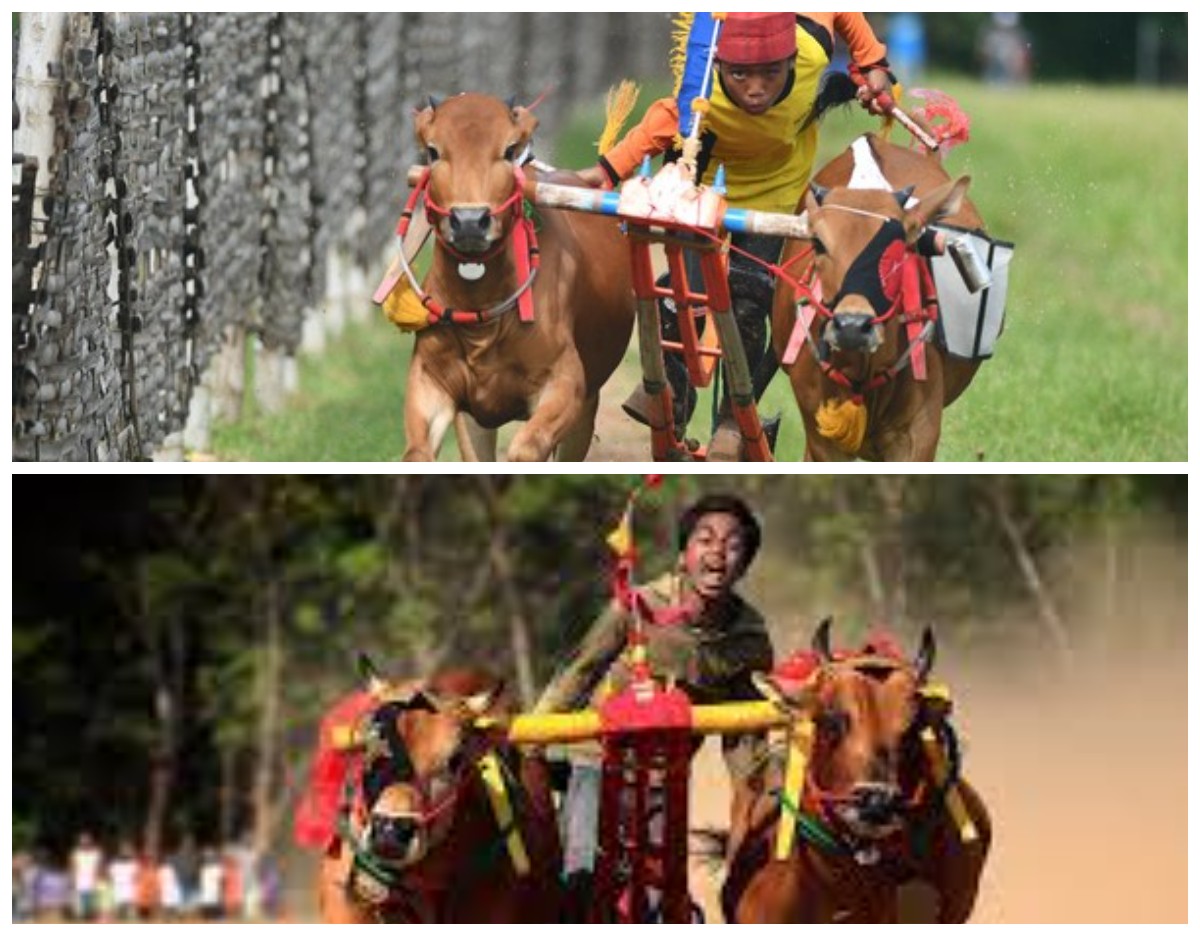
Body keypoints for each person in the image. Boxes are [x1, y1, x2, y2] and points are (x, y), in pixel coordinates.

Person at [577, 13, 900, 459]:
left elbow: (858, 34)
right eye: (740, 74)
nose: (755, 88)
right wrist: (603, 171)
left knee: (751, 297)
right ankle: (670, 396)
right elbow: (659, 124)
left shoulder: (812, 43)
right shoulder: (701, 87)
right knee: (679, 293)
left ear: (791, 61)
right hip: (704, 177)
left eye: (770, 73)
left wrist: (875, 76)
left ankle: (734, 418)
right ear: (719, 68)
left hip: (776, 183)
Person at [535, 494, 774, 896]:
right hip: (598, 762)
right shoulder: (636, 606)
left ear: (743, 566)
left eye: (733, 546)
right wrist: (532, 739)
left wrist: (751, 799)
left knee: (658, 890)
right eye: (706, 540)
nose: (718, 553)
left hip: (667, 778)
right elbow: (580, 670)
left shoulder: (748, 638)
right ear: (683, 555)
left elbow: (745, 737)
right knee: (582, 875)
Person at [69, 832, 104, 922]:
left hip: (92, 882)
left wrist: (97, 880)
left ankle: (90, 917)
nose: (85, 843)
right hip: (80, 882)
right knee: (80, 908)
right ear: (80, 842)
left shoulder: (97, 853)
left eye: (87, 841)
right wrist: (73, 880)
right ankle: (82, 917)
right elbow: (73, 868)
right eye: (83, 841)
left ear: (91, 841)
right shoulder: (75, 853)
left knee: (92, 907)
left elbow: (99, 868)